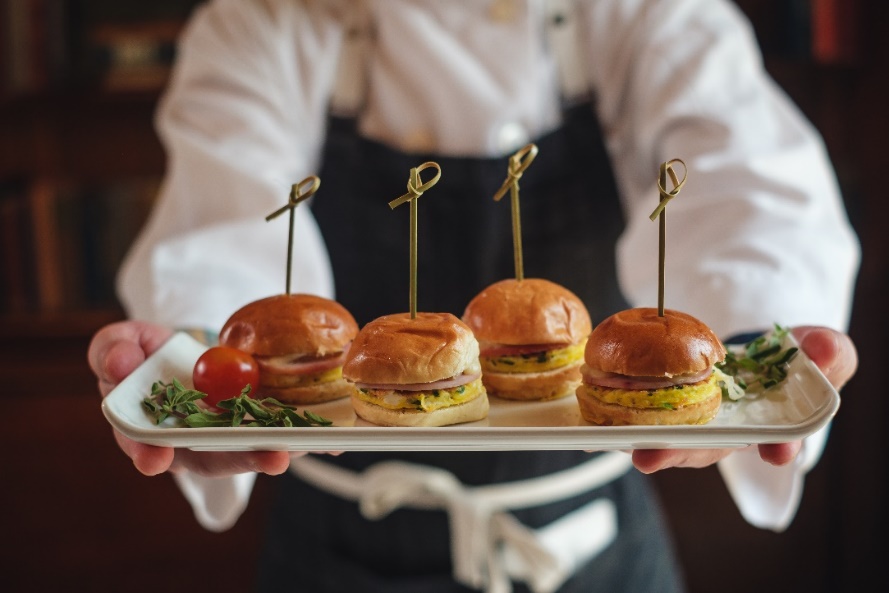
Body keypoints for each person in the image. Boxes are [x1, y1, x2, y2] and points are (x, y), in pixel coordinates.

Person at [88, 1, 860, 591]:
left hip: (592, 547)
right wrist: (197, 369)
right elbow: (222, 217)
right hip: (330, 543)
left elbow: (746, 192)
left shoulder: (644, 14)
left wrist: (758, 348)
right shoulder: (263, 20)